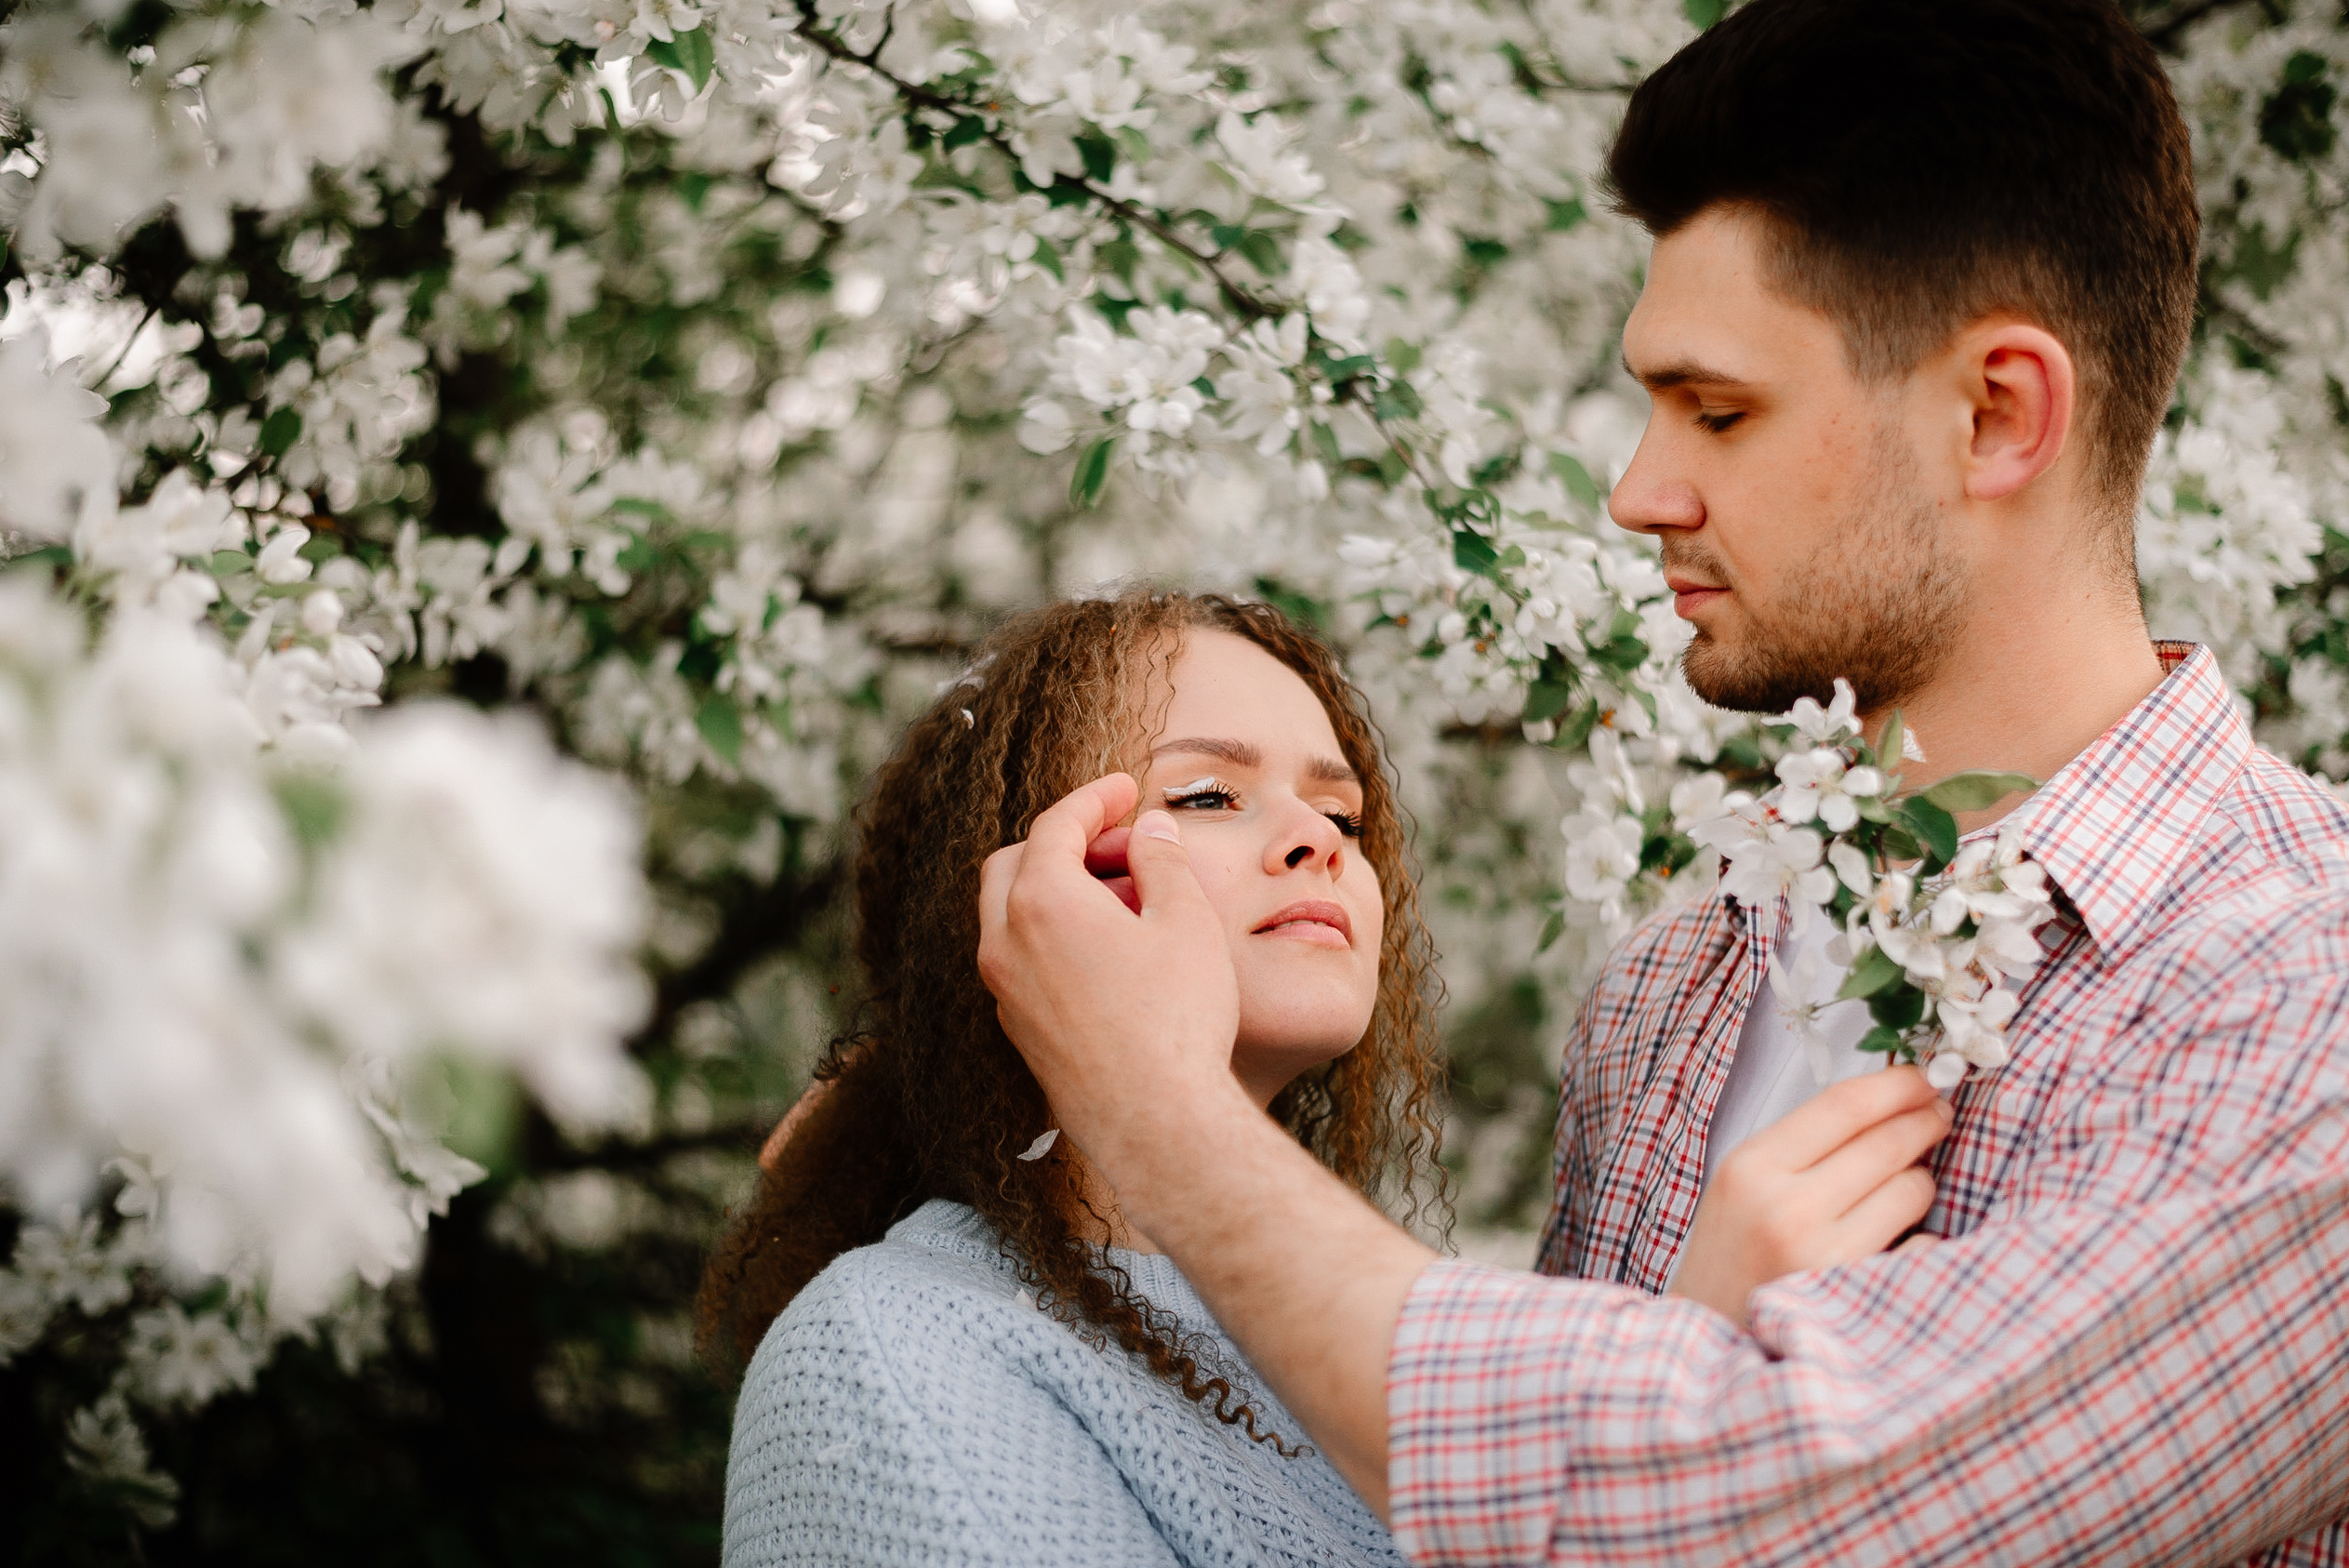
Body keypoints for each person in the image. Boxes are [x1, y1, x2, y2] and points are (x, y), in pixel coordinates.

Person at [972, 4, 2349, 1566]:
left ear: (1996, 413)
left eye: (1719, 410)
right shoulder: (1681, 975)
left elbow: (1753, 1512)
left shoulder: (2305, 989)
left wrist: (1148, 1104)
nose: (1636, 492)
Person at [704, 589, 1951, 1568]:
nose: (1314, 838)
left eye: (1341, 816)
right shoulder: (886, 1345)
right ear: (1020, 893)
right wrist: (1691, 1367)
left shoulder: (1387, 1332)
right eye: (1207, 793)